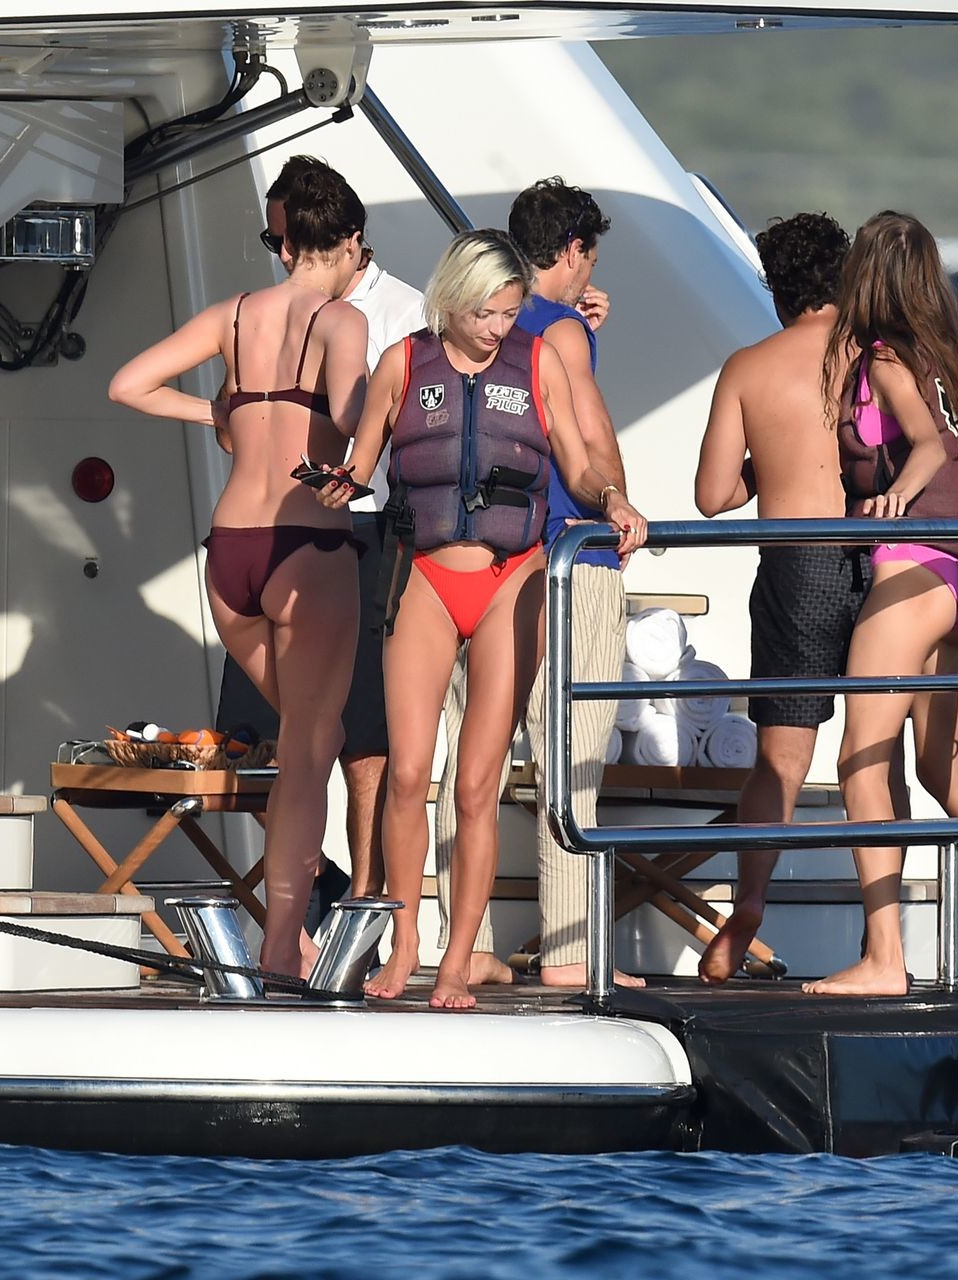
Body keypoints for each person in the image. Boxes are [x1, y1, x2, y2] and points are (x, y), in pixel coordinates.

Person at [325, 229, 640, 1009]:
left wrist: (612, 500)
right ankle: (407, 944)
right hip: (426, 578)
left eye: (508, 312)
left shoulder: (539, 362)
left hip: (511, 581)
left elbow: (578, 461)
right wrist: (336, 482)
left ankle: (460, 962)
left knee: (475, 787)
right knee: (408, 774)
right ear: (453, 302)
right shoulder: (404, 363)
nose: (499, 328)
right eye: (486, 314)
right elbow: (361, 464)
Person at [108, 165, 371, 978]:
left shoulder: (232, 315)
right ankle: (283, 942)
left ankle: (292, 931)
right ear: (350, 241)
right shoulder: (342, 320)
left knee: (306, 740)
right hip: (306, 544)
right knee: (310, 752)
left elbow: (127, 385)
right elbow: (353, 416)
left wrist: (220, 409)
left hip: (231, 553)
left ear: (289, 243)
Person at [803, 211, 958, 996]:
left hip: (915, 567)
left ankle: (884, 958)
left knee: (860, 761)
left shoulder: (883, 357)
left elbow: (930, 445)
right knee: (944, 772)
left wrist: (894, 501)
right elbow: (954, 445)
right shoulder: (940, 355)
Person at [432, 180, 648, 990]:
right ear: (573, 251)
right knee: (571, 759)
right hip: (563, 559)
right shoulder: (558, 334)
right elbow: (586, 441)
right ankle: (567, 952)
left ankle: (462, 944)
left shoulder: (473, 324)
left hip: (474, 563)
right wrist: (617, 506)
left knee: (470, 762)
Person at [694, 211, 906, 984]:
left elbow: (713, 495)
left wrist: (774, 463)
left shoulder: (750, 367)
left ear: (775, 288)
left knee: (780, 761)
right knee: (878, 757)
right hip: (883, 558)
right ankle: (885, 943)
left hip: (796, 567)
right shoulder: (878, 358)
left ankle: (750, 903)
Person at [215, 155, 425, 905]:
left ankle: (360, 902)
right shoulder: (272, 311)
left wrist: (340, 455)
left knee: (362, 737)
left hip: (363, 530)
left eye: (293, 241)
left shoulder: (400, 313)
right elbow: (232, 424)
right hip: (273, 529)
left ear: (347, 241)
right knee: (264, 739)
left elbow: (401, 428)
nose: (283, 255)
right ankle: (316, 894)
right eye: (275, 241)